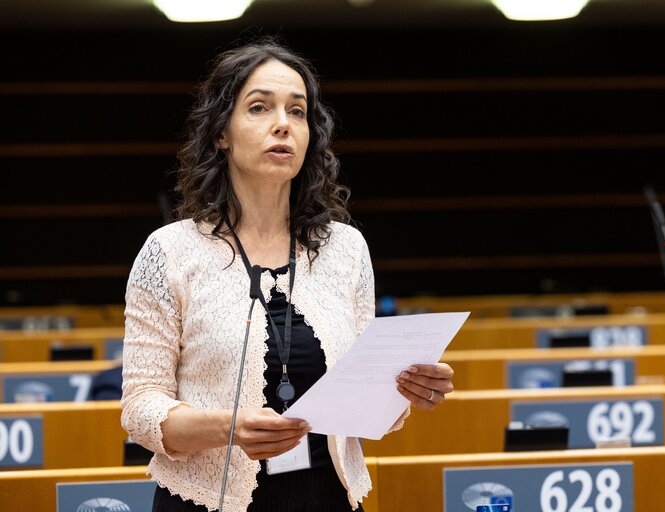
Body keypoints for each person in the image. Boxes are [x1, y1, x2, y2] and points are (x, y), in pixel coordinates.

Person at [120, 40, 455, 512]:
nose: (283, 123)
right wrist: (228, 428)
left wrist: (405, 391)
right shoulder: (170, 251)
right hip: (205, 502)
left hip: (328, 498)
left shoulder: (345, 249)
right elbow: (140, 409)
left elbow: (365, 404)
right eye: (259, 107)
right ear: (222, 133)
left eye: (297, 112)